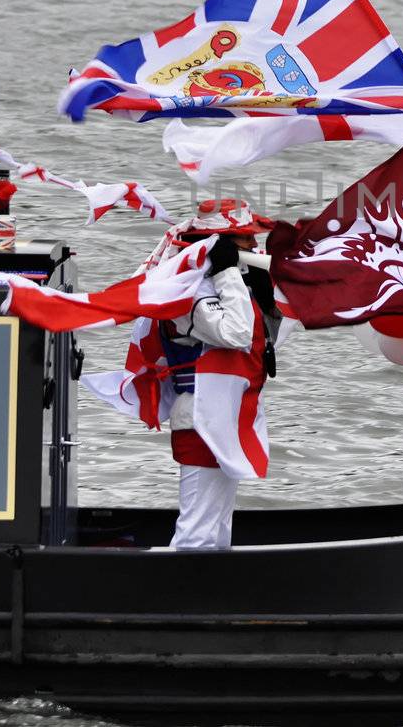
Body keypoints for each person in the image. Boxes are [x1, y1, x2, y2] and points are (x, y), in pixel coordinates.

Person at [139, 198, 282, 551]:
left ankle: (211, 600)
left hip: (228, 416)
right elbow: (235, 333)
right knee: (198, 532)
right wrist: (228, 273)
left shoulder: (225, 286)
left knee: (218, 532)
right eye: (244, 239)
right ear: (218, 244)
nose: (253, 246)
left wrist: (268, 303)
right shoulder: (189, 291)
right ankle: (177, 601)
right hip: (200, 418)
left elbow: (258, 344)